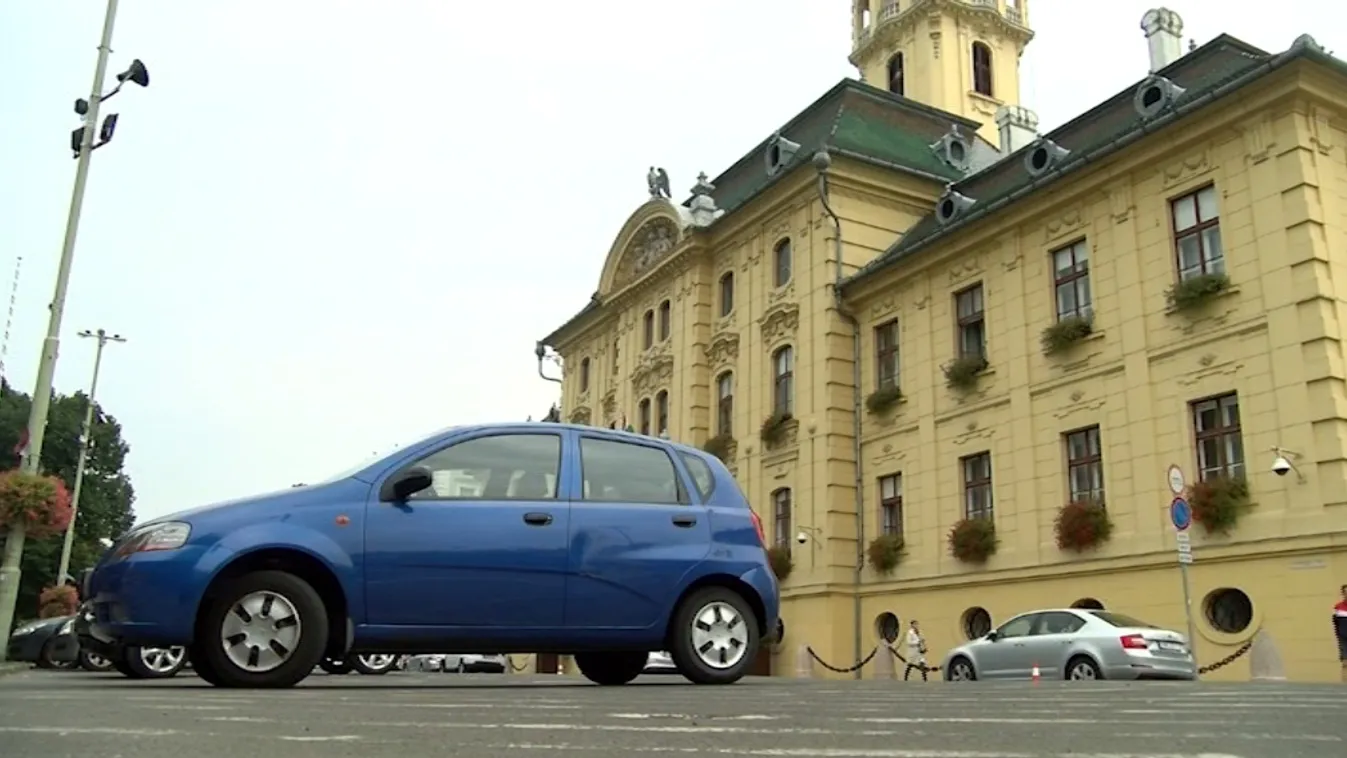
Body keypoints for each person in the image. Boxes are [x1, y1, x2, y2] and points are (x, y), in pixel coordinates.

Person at [1334, 585, 1347, 683]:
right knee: (1345, 663)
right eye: (1345, 592)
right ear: (1343, 594)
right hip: (1344, 638)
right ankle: (1344, 685)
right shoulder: (1338, 607)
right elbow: (1336, 623)